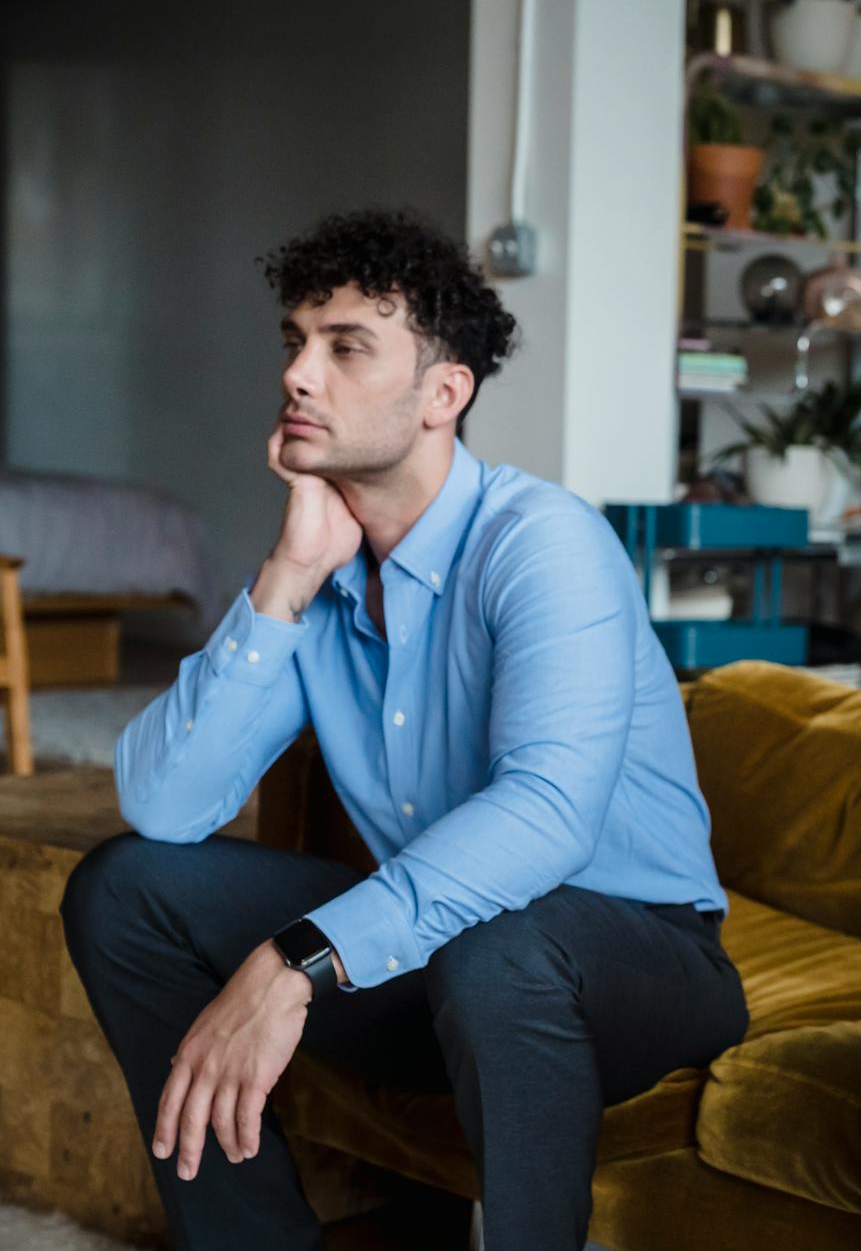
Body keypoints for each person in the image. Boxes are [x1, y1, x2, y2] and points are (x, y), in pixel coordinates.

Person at [60, 208, 747, 1251]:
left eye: (344, 348)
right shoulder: (324, 567)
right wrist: (286, 578)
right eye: (295, 342)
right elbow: (164, 802)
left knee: (500, 951)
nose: (298, 374)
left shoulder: (542, 542)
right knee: (124, 886)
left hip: (636, 963)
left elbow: (547, 814)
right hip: (445, 954)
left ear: (444, 393)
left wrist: (300, 957)